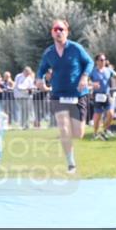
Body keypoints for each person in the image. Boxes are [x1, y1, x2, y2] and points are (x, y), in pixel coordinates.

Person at [36, 18, 94, 172]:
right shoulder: (49, 52)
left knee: (78, 133)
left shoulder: (76, 48)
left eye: (61, 29)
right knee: (63, 127)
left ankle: (71, 144)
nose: (59, 31)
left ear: (67, 32)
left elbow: (89, 63)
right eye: (56, 29)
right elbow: (42, 69)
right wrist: (39, 79)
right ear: (52, 33)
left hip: (78, 94)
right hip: (58, 94)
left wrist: (84, 77)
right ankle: (70, 162)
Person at [89, 53, 114, 140]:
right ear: (97, 61)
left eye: (104, 60)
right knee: (97, 117)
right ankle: (95, 133)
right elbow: (86, 81)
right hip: (97, 96)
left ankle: (103, 131)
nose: (103, 61)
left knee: (111, 114)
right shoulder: (92, 71)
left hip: (107, 95)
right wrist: (92, 84)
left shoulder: (108, 70)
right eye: (101, 60)